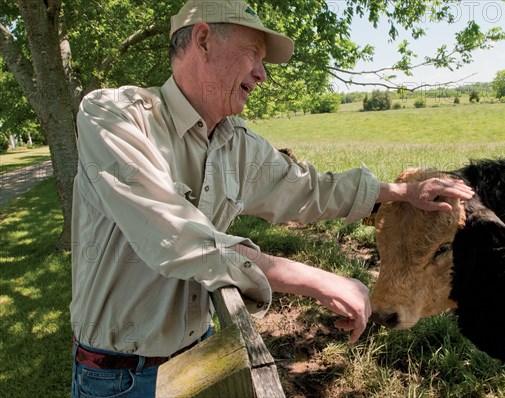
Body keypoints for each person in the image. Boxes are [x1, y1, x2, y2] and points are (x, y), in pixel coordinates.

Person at [70, 1, 475, 396]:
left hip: (201, 357)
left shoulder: (236, 142)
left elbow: (306, 188)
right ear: (204, 39)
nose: (262, 75)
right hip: (120, 378)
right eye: (253, 55)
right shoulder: (114, 116)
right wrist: (317, 280)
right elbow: (176, 238)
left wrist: (401, 192)